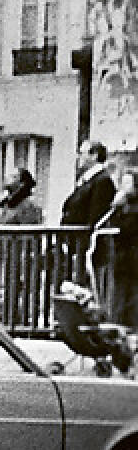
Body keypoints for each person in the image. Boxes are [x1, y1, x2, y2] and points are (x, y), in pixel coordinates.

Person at [92, 169, 138, 329]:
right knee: (121, 294)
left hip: (133, 258)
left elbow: (127, 228)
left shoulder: (133, 209)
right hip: (122, 259)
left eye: (127, 183)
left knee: (132, 296)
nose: (123, 187)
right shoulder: (122, 207)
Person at [61, 140, 116, 228]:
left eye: (81, 153)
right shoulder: (87, 180)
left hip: (82, 235)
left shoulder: (102, 181)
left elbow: (96, 218)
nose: (78, 157)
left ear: (94, 156)